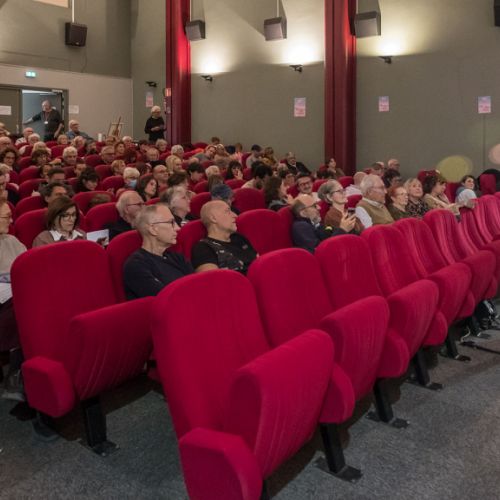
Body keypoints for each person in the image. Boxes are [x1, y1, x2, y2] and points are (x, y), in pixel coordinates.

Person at [123, 204, 193, 300]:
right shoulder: (136, 265)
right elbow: (165, 300)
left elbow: (197, 285)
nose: (178, 228)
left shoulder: (177, 257)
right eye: (171, 222)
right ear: (153, 229)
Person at [0, 200, 27, 401]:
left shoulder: (12, 240)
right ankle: (16, 375)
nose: (11, 221)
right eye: (6, 217)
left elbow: (28, 267)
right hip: (5, 300)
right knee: (23, 313)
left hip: (16, 294)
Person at [192, 200, 258, 274]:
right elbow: (211, 279)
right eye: (227, 211)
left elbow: (257, 262)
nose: (235, 215)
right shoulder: (203, 248)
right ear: (213, 218)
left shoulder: (239, 238)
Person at [291, 193, 355, 253]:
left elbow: (330, 231)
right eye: (314, 206)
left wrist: (346, 226)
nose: (319, 207)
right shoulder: (301, 227)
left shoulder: (316, 223)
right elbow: (319, 250)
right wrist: (342, 230)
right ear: (303, 213)